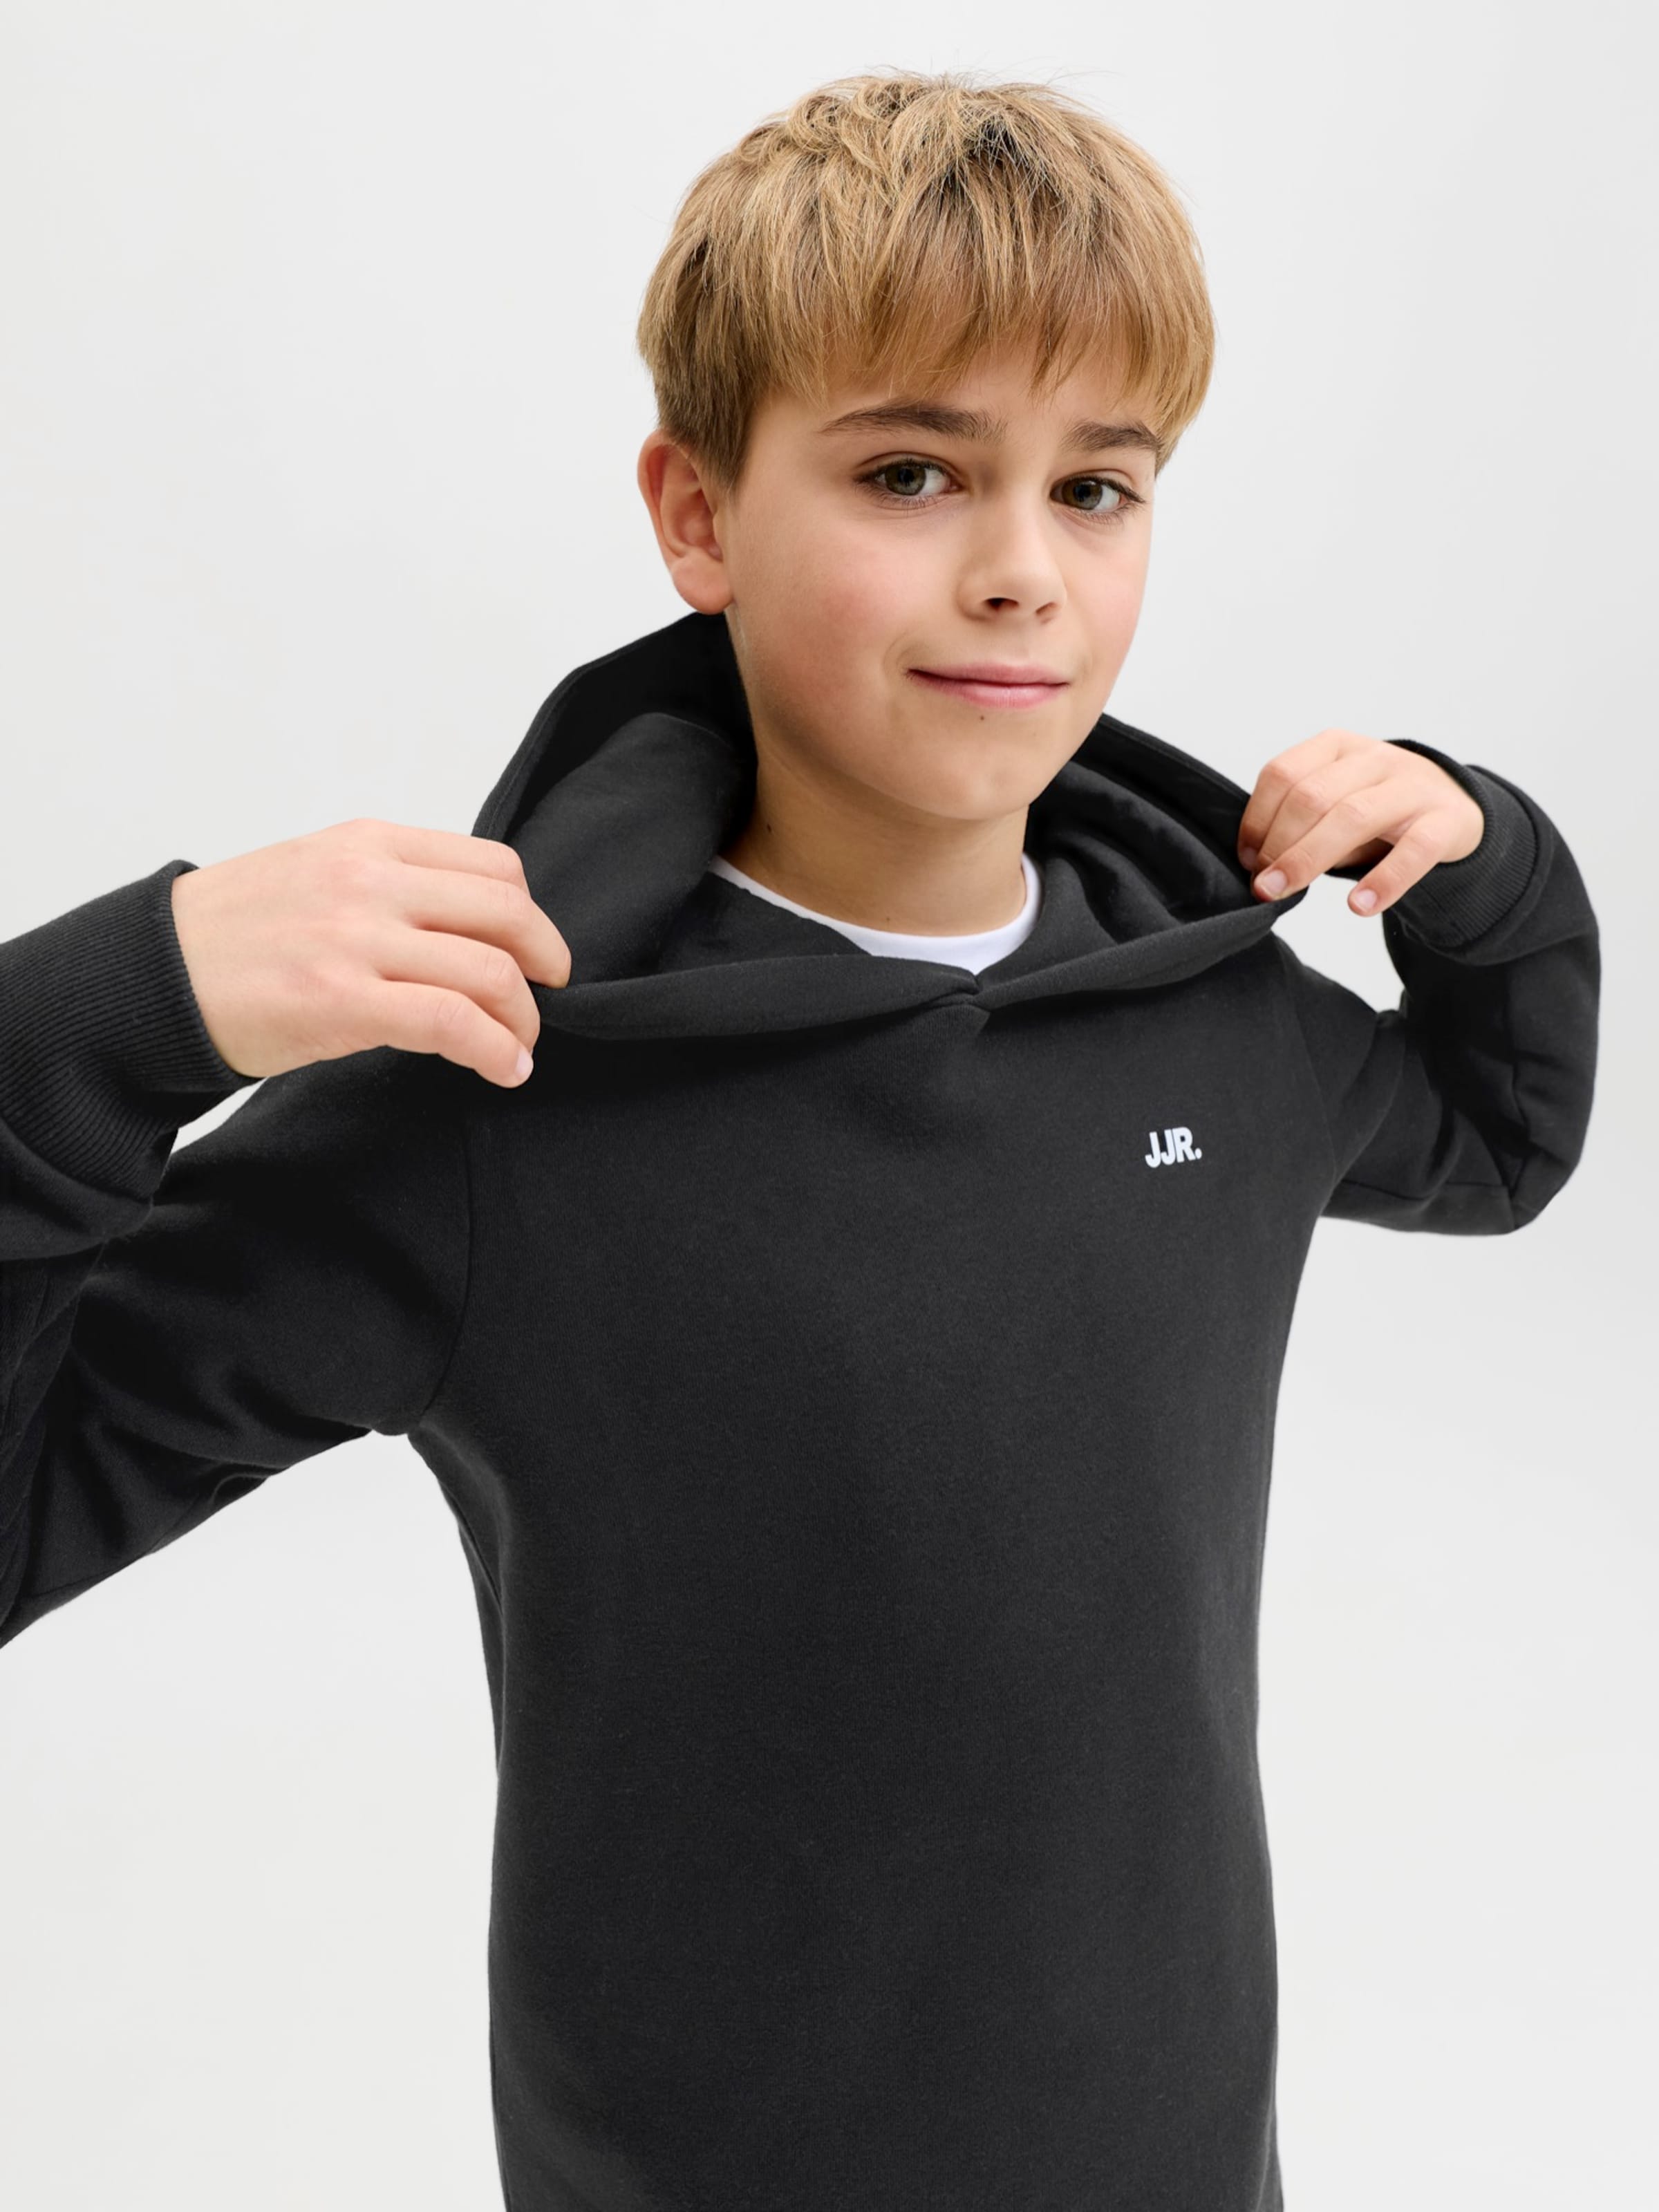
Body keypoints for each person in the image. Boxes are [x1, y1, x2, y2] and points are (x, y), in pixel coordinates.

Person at [0, 68, 1599, 2212]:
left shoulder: (1221, 1020)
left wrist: (1484, 854)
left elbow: (1505, 1137)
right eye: (911, 471)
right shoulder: (490, 1102)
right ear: (699, 515)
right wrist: (106, 1016)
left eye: (1098, 486)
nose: (1021, 572)